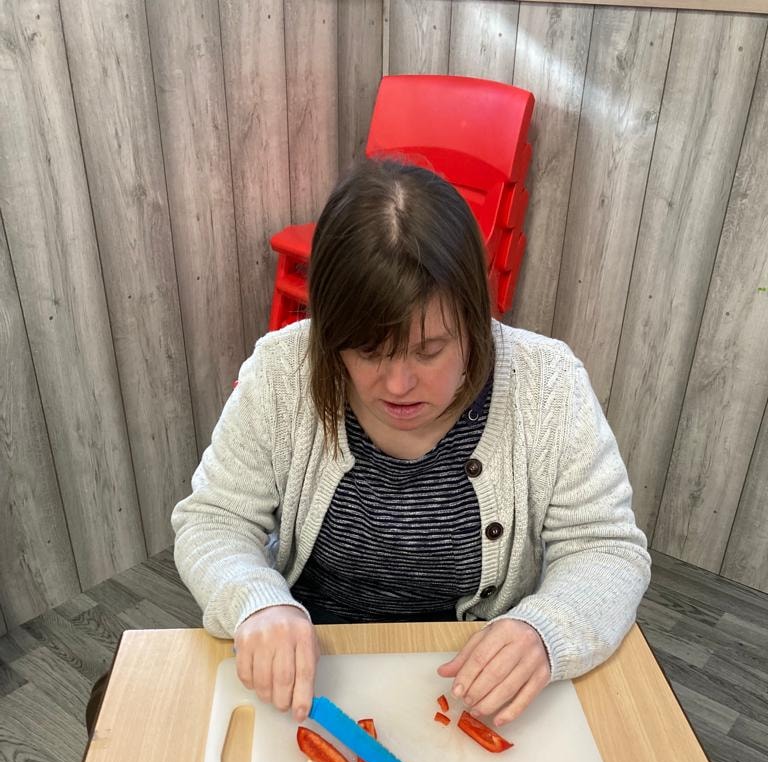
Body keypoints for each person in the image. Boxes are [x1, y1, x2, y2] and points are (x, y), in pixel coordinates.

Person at [171, 158, 651, 730]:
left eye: (429, 350)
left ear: (475, 320)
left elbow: (606, 548)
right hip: (315, 675)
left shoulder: (548, 384)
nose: (398, 385)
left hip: (471, 683)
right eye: (368, 352)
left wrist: (545, 628)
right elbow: (214, 521)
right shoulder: (282, 371)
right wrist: (256, 598)